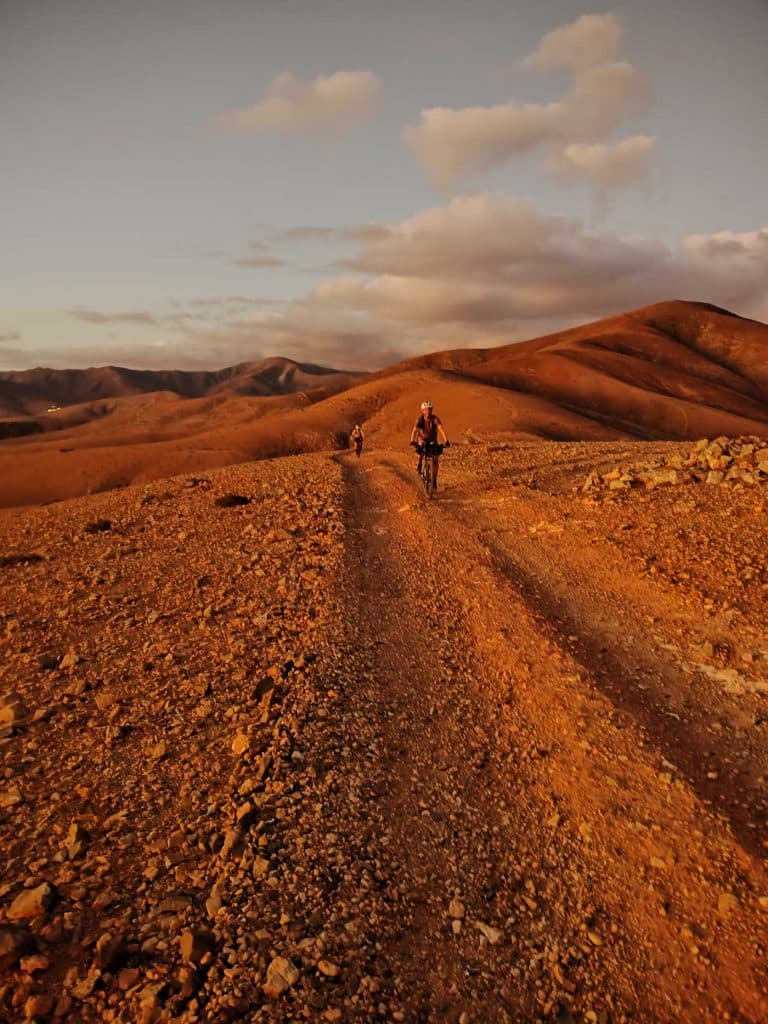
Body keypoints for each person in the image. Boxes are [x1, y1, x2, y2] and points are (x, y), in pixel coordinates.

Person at [409, 401, 449, 486]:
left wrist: (446, 441)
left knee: (436, 458)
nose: (428, 412)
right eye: (426, 410)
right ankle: (419, 464)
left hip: (432, 440)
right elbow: (414, 430)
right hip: (422, 439)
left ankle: (434, 479)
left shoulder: (435, 419)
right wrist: (412, 440)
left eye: (430, 410)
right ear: (422, 411)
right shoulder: (419, 419)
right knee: (420, 451)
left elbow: (441, 429)